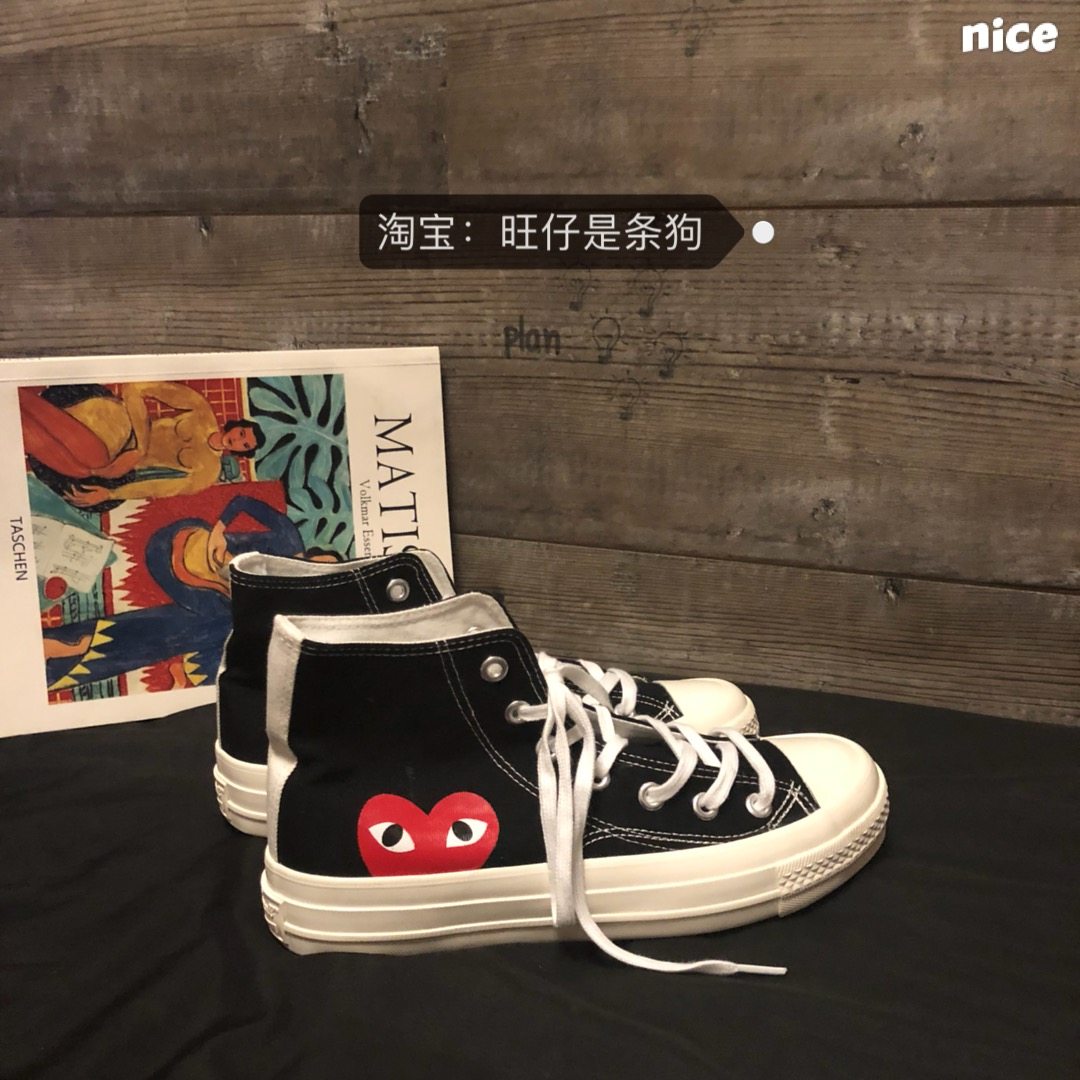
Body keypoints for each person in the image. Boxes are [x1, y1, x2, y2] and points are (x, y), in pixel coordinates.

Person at [42, 495, 334, 693]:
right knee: (217, 626)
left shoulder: (287, 593)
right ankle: (84, 646)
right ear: (311, 555)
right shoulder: (289, 538)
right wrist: (219, 530)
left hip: (202, 598)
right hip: (180, 548)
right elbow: (242, 501)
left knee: (217, 627)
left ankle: (78, 646)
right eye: (315, 564)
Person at [20, 382, 264, 511]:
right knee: (94, 457)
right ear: (235, 425)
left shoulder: (208, 472)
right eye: (241, 433)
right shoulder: (201, 409)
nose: (237, 440)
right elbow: (136, 388)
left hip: (122, 473)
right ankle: (18, 402)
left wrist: (111, 494)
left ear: (241, 452)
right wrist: (140, 448)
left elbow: (158, 487)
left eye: (244, 444)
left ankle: (16, 407)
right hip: (123, 427)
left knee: (83, 469)